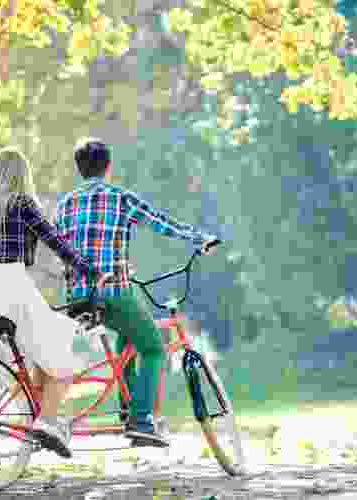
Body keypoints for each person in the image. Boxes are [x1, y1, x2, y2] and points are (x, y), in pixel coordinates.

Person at [0, 146, 104, 459]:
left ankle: (39, 419)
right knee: (62, 344)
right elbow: (56, 242)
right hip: (12, 284)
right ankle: (49, 422)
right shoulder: (22, 202)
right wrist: (92, 271)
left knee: (41, 351)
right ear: (22, 175)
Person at [54, 137, 218, 447]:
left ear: (78, 168)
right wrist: (200, 239)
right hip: (113, 290)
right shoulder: (120, 198)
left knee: (128, 335)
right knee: (154, 348)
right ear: (108, 166)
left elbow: (65, 249)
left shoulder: (65, 204)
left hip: (77, 296)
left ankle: (128, 408)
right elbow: (162, 224)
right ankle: (142, 421)